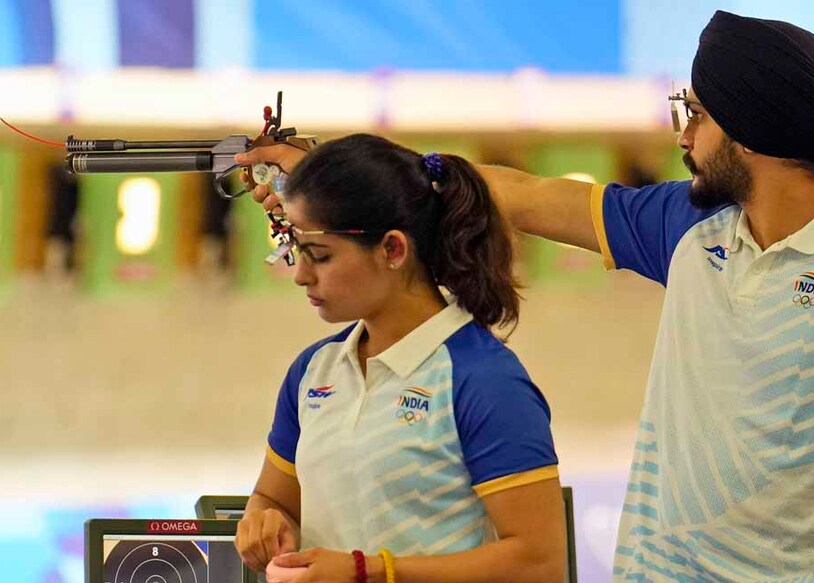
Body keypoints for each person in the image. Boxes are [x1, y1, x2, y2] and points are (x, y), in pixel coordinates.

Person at [238, 11, 814, 582]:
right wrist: (335, 172)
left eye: (696, 113)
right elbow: (529, 195)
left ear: (749, 130)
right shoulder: (689, 223)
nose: (683, 134)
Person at [233, 134, 568, 583]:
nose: (300, 275)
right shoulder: (313, 370)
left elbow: (539, 563)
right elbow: (273, 500)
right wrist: (264, 521)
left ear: (392, 249)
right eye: (297, 253)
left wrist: (368, 572)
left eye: (320, 255)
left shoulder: (484, 379)